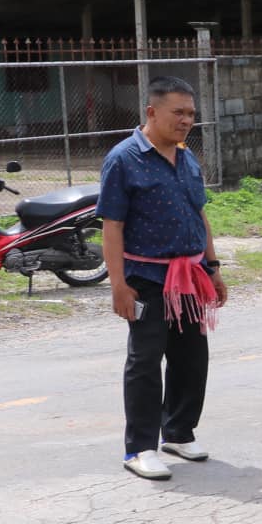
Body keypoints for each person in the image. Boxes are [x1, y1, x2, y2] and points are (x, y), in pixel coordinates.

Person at [98, 76, 229, 481]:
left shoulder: (187, 157)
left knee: (192, 358)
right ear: (152, 113)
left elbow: (199, 214)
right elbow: (112, 225)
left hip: (189, 275)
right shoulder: (124, 159)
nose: (186, 120)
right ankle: (139, 447)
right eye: (178, 113)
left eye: (191, 113)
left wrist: (213, 266)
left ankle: (178, 430)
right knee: (145, 361)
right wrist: (118, 284)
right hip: (146, 277)